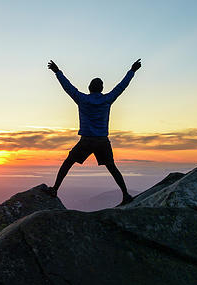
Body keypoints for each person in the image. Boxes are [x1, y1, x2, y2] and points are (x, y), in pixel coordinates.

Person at [45, 58, 141, 205]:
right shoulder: (108, 99)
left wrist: (57, 71)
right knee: (112, 167)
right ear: (101, 89)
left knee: (68, 162)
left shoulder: (82, 99)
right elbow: (121, 86)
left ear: (89, 87)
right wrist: (132, 71)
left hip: (87, 140)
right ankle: (125, 194)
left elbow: (67, 87)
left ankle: (55, 189)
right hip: (103, 141)